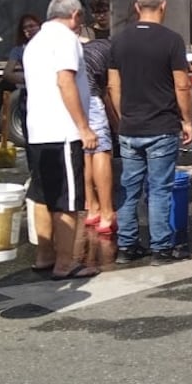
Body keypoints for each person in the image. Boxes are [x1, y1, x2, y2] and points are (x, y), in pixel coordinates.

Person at [108, 0, 192, 265]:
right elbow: (182, 85)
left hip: (130, 127)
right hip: (161, 126)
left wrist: (124, 117)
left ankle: (126, 246)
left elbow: (113, 85)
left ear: (136, 7)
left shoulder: (118, 40)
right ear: (163, 6)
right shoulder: (172, 41)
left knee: (129, 189)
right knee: (159, 189)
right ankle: (160, 248)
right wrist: (188, 121)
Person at [23, 0, 99, 280]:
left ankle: (45, 255)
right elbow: (65, 81)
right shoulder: (66, 39)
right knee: (67, 200)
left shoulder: (35, 42)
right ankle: (66, 263)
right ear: (75, 14)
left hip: (38, 131)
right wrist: (83, 127)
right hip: (63, 131)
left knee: (43, 196)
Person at [81, 25, 118, 236]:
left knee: (86, 152)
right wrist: (120, 124)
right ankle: (106, 214)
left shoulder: (94, 48)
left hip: (75, 99)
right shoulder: (116, 52)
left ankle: (92, 207)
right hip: (92, 100)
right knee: (101, 150)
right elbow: (112, 89)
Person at [1, 14, 42, 88]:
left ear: (39, 26)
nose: (28, 30)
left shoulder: (49, 45)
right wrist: (27, 80)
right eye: (25, 28)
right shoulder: (18, 50)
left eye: (31, 26)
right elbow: (7, 74)